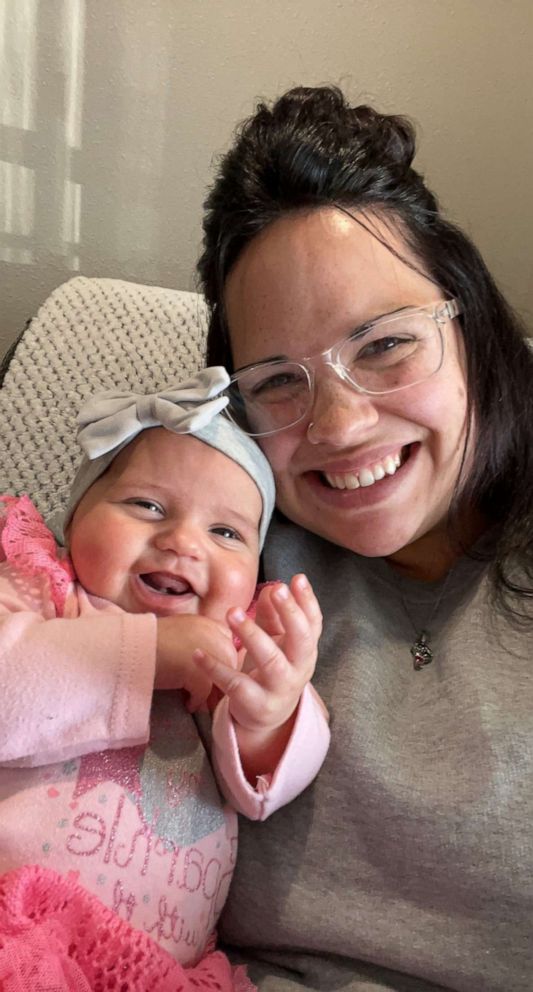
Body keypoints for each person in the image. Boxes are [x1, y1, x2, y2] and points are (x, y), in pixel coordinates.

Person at [197, 85, 533, 991]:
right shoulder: (219, 546)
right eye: (277, 381)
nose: (340, 426)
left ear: (467, 323)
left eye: (383, 344)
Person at [0, 367, 329, 991]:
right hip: (17, 927)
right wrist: (146, 654)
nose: (182, 542)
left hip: (157, 973)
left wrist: (269, 716)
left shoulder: (229, 646)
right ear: (75, 522)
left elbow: (263, 790)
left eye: (226, 532)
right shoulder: (39, 590)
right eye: (147, 505)